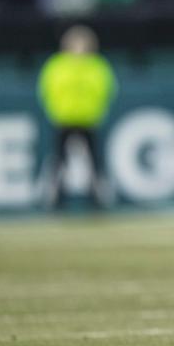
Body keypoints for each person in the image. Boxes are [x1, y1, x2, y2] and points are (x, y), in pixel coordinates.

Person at [38, 25, 118, 209]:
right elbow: (47, 90)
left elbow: (106, 90)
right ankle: (56, 198)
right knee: (59, 160)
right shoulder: (57, 65)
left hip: (88, 119)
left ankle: (98, 198)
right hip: (64, 119)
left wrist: (97, 110)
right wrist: (56, 111)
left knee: (94, 160)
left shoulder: (97, 65)